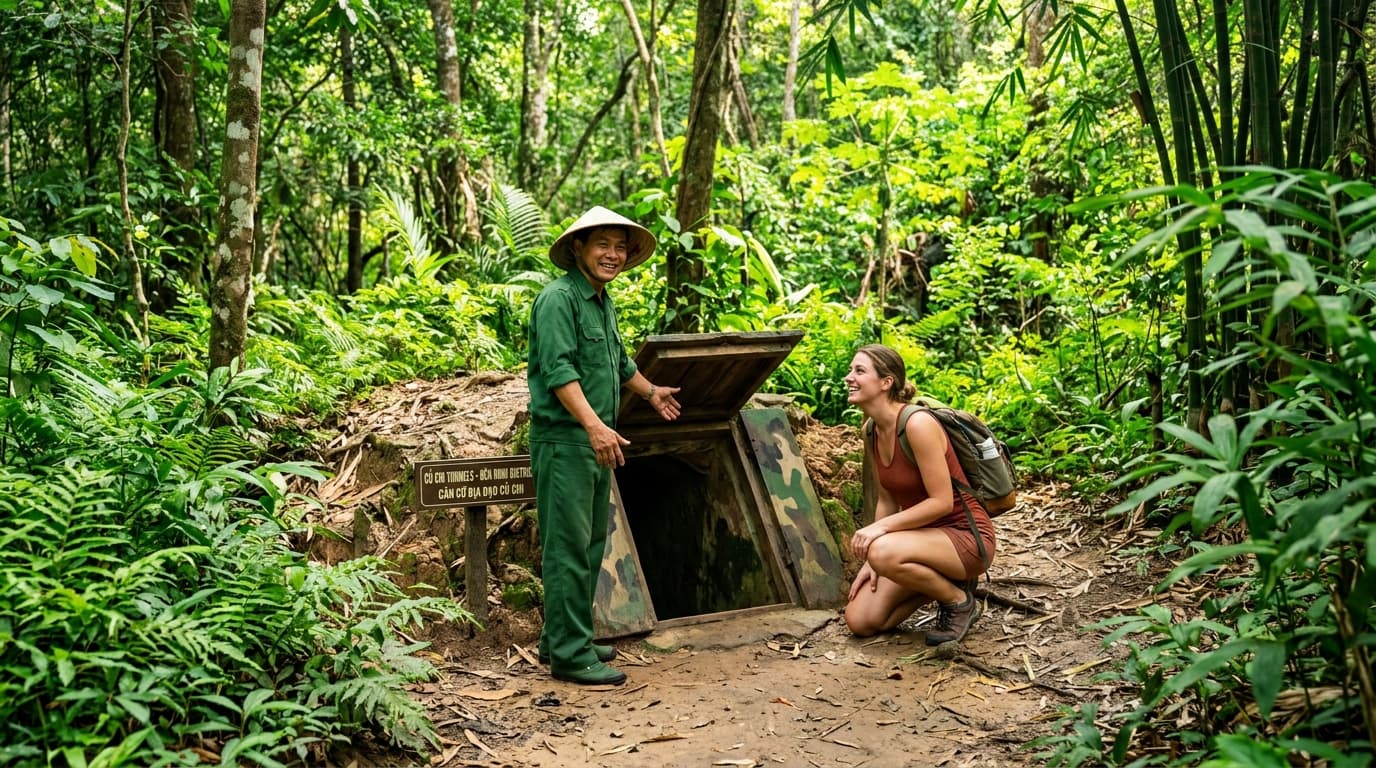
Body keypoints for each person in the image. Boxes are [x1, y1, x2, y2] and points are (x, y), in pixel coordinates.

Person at [527, 206, 682, 686]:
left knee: (591, 545)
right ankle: (571, 656)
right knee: (567, 550)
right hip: (566, 442)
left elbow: (616, 361)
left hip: (595, 443)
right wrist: (595, 426)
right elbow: (559, 372)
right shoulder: (558, 299)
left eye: (620, 247)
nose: (613, 255)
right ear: (578, 248)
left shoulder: (601, 300)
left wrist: (651, 392)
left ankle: (561, 638)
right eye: (602, 245)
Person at [842, 343, 995, 645]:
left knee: (882, 550)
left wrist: (877, 537)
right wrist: (871, 562)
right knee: (860, 620)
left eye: (859, 371)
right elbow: (887, 499)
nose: (849, 377)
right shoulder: (871, 430)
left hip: (964, 537)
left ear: (886, 382)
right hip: (919, 541)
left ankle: (957, 601)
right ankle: (945, 582)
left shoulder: (918, 424)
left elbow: (942, 502)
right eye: (851, 370)